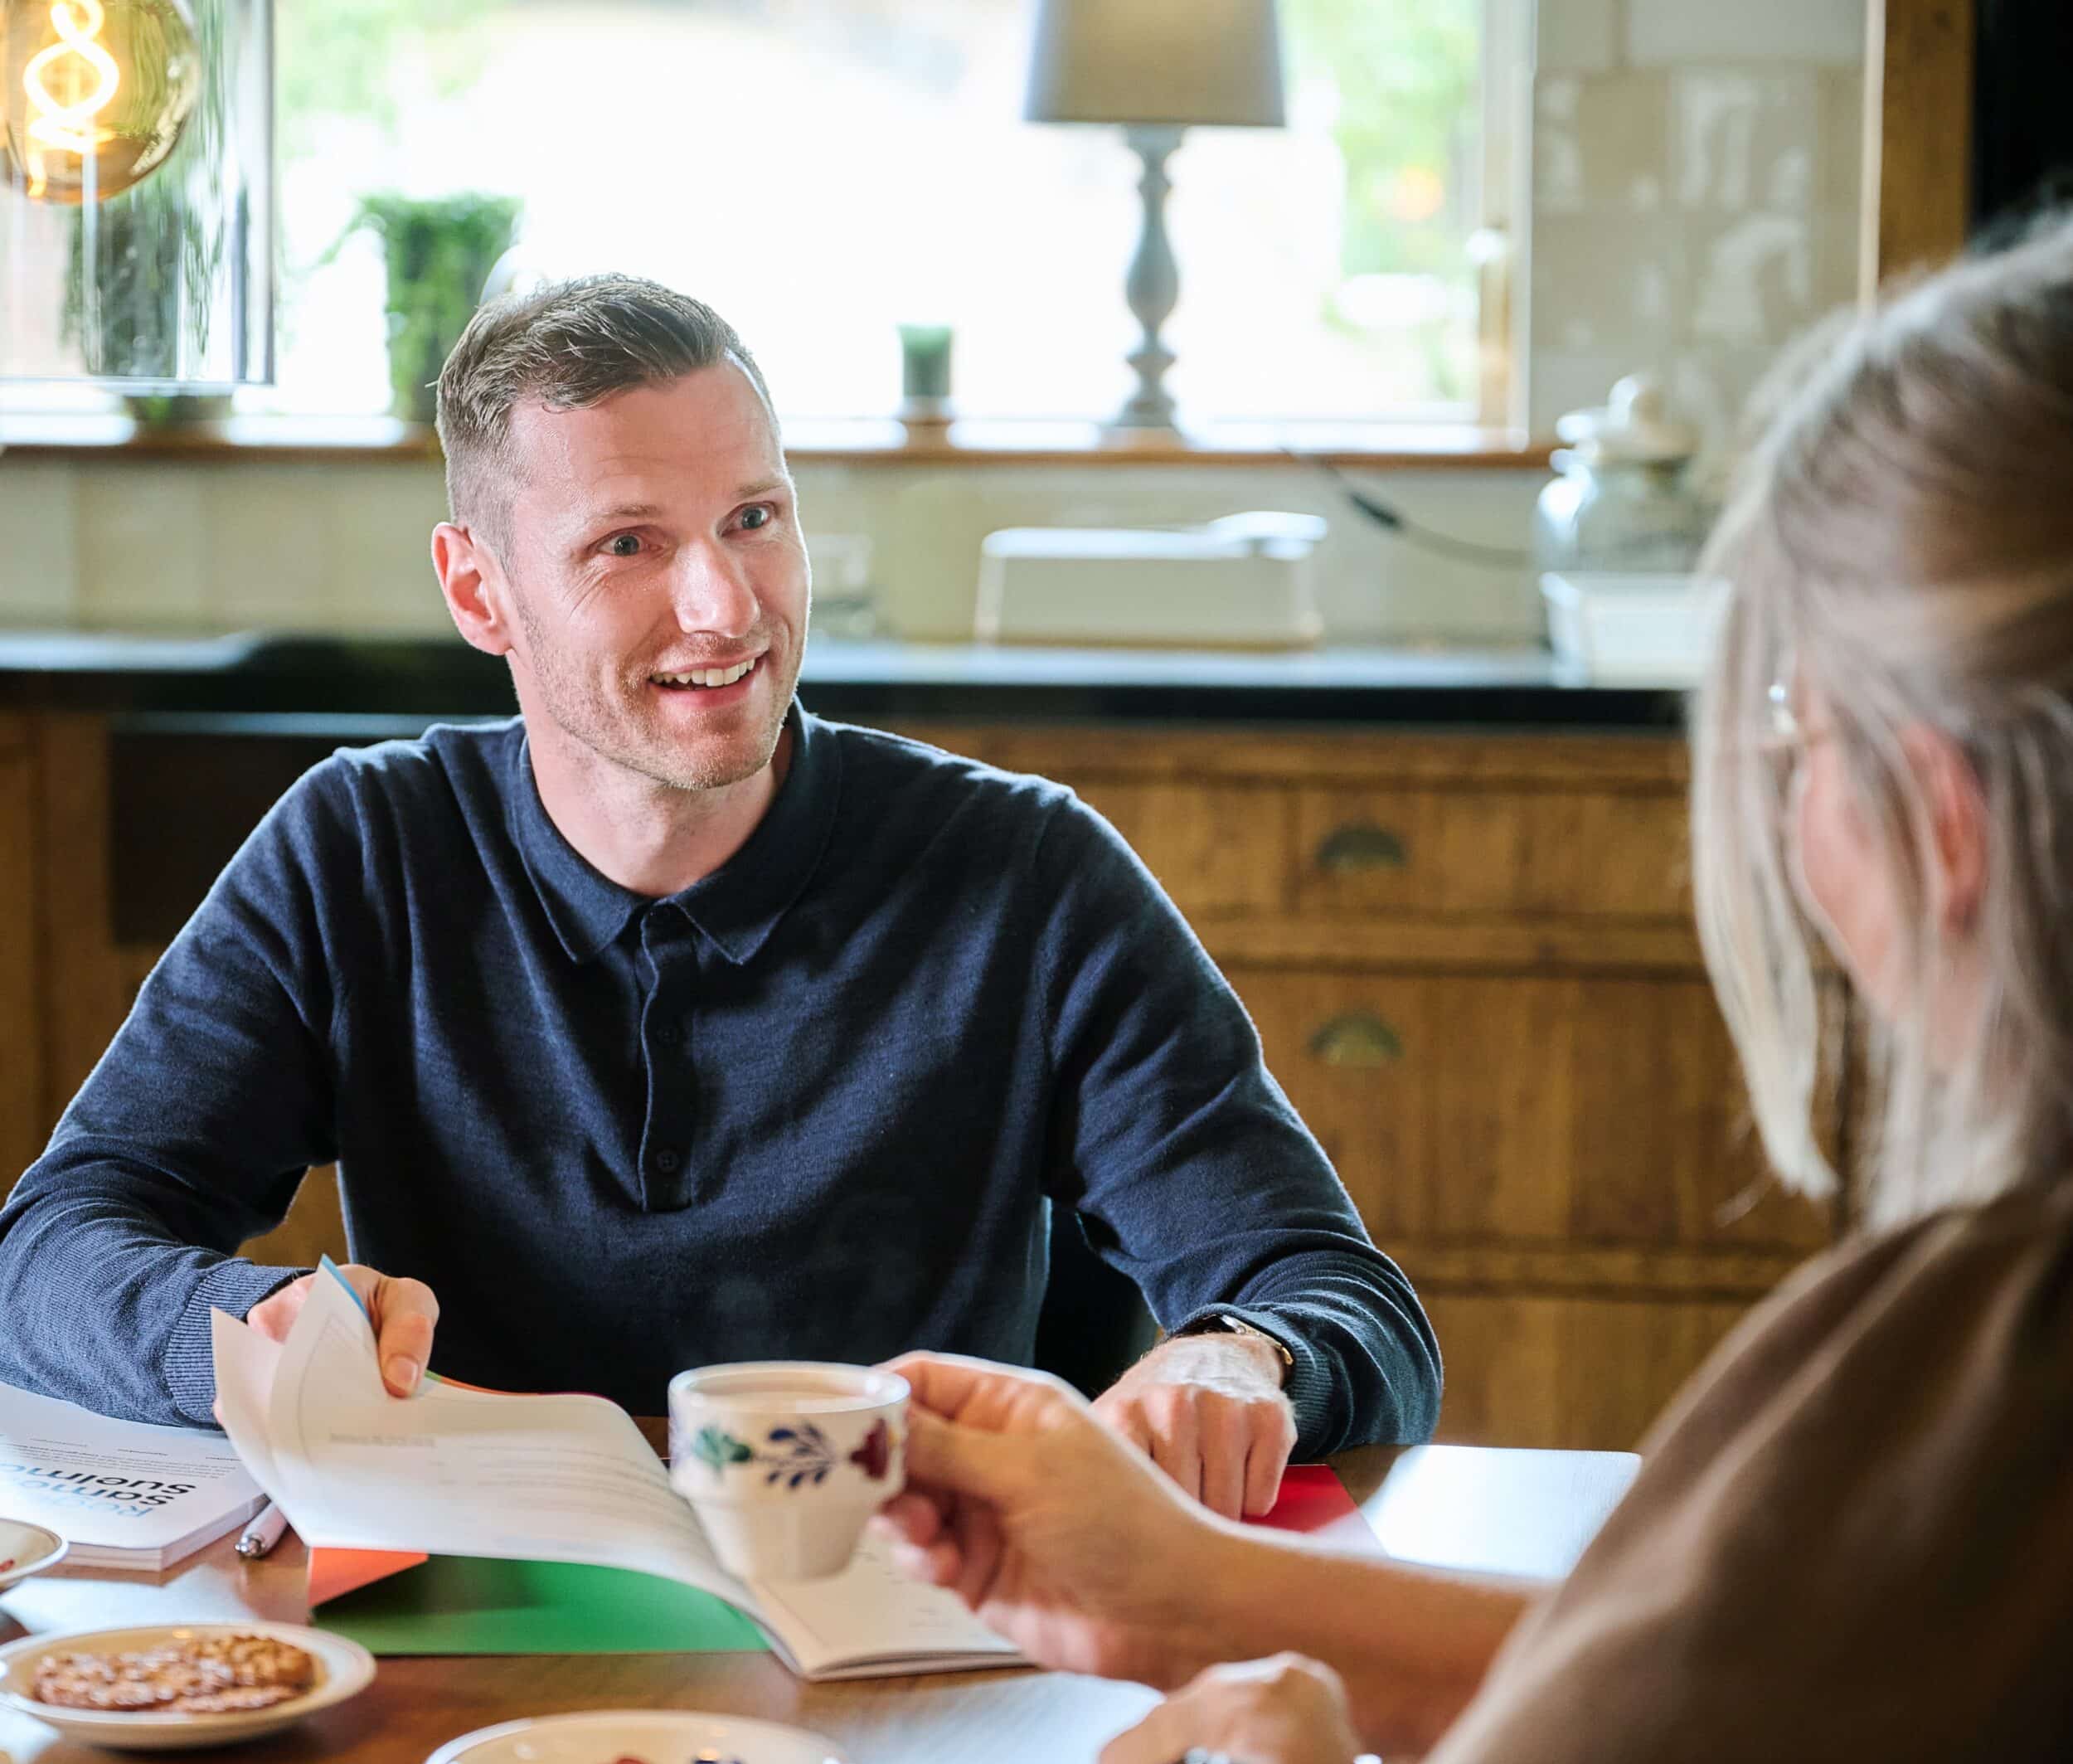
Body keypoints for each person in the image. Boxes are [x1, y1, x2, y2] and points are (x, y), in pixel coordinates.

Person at [877, 221, 2073, 1764]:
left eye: (1799, 735)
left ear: (1936, 817)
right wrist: (1190, 1587)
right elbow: (1776, 1687)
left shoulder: (1995, 1357)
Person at [0, 276, 1440, 1514]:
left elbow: (1348, 1305)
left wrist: (1241, 1356)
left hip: (928, 1639)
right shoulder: (358, 849)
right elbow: (51, 1248)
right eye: (629, 543)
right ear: (481, 592)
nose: (726, 606)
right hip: (480, 1636)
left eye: (754, 517)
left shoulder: (1029, 875)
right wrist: (248, 1324)